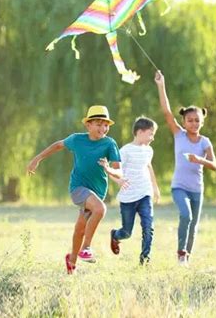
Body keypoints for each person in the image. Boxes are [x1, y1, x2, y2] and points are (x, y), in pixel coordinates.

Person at [26, 105, 123, 274]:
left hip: (97, 192)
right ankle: (86, 248)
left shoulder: (109, 143)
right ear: (88, 125)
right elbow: (58, 145)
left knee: (80, 229)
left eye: (106, 125)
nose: (103, 128)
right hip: (78, 188)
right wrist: (37, 159)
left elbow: (118, 169)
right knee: (100, 209)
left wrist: (109, 169)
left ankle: (71, 262)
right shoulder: (77, 140)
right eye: (99, 124)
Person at [154, 70, 216, 266]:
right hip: (179, 187)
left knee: (194, 225)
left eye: (197, 120)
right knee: (186, 215)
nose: (193, 123)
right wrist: (161, 85)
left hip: (197, 189)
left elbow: (214, 165)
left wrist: (200, 160)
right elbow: (166, 111)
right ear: (183, 122)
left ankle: (185, 257)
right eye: (190, 120)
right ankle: (181, 251)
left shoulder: (205, 142)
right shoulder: (178, 135)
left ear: (202, 121)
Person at [105, 116, 161, 266]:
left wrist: (155, 188)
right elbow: (112, 171)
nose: (153, 138)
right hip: (128, 197)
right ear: (140, 132)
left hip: (145, 193)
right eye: (151, 133)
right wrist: (119, 181)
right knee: (127, 232)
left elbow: (149, 167)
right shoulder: (125, 151)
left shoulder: (149, 150)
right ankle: (115, 235)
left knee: (148, 227)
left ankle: (145, 260)